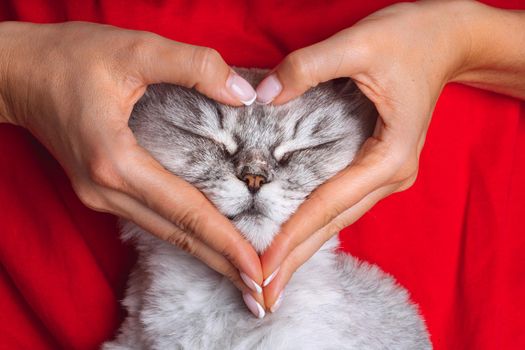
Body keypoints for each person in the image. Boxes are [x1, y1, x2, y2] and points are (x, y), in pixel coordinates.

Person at [0, 0, 524, 348]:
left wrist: (461, 40)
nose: (254, 175)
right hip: (49, 271)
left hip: (469, 264)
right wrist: (18, 73)